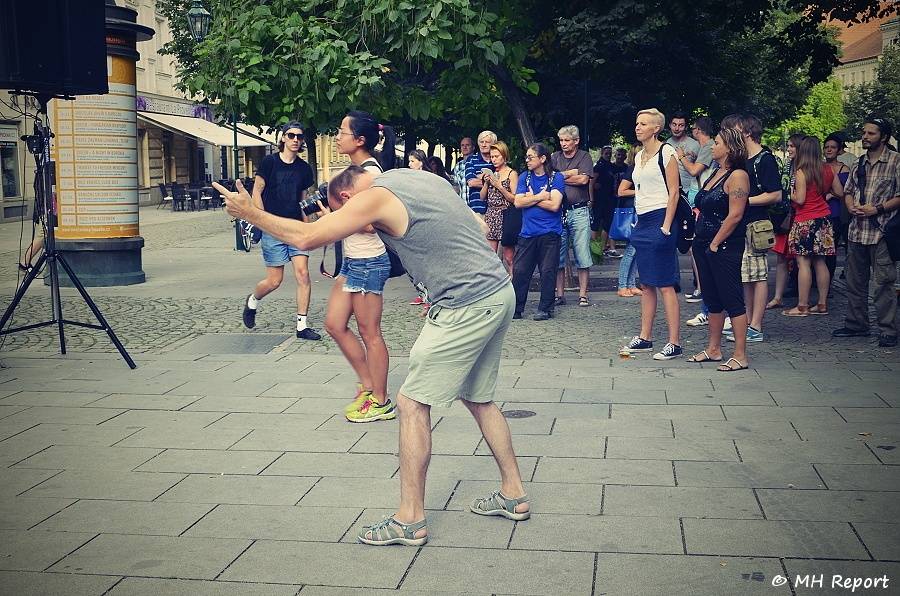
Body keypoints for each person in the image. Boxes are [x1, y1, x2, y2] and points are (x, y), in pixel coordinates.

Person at [214, 165, 529, 548]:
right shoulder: (414, 178)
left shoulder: (373, 198)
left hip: (465, 303)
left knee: (411, 403)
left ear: (347, 198)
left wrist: (249, 213)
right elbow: (475, 226)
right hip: (498, 291)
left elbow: (310, 236)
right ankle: (513, 494)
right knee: (478, 397)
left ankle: (410, 519)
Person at [328, 110, 398, 422]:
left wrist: (338, 218)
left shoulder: (370, 175)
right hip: (353, 261)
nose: (337, 136)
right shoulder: (357, 170)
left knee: (370, 332)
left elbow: (375, 224)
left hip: (369, 262)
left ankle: (381, 401)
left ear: (359, 140)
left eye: (343, 132)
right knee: (334, 323)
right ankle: (368, 384)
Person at [241, 121, 321, 341]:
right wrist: (261, 219)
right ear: (283, 138)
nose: (296, 139)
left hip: (296, 228)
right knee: (274, 281)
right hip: (273, 228)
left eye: (300, 136)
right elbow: (257, 192)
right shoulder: (269, 163)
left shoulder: (304, 169)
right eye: (292, 135)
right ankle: (253, 300)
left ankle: (302, 326)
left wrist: (308, 227)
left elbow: (303, 199)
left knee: (303, 274)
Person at [686, 127, 751, 371]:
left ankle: (740, 354)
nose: (712, 146)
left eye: (717, 143)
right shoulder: (716, 172)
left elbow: (735, 215)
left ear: (730, 148)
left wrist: (715, 243)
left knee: (731, 297)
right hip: (703, 243)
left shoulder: (738, 176)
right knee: (712, 298)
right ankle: (713, 349)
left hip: (724, 245)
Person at [621, 108, 683, 361]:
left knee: (665, 283)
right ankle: (645, 337)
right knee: (646, 282)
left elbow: (674, 192)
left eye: (643, 123)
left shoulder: (666, 152)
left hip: (660, 219)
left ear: (656, 128)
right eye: (637, 123)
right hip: (643, 220)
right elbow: (640, 189)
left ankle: (674, 342)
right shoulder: (639, 156)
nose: (638, 127)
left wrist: (666, 226)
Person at [832, 117, 900, 348]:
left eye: (871, 133)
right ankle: (856, 324)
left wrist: (877, 209)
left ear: (883, 137)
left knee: (883, 283)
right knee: (854, 282)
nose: (865, 137)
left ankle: (888, 329)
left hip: (881, 231)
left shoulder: (895, 162)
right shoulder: (859, 162)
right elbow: (848, 190)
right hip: (856, 231)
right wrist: (850, 205)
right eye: (864, 133)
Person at [721, 114, 782, 344]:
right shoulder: (743, 159)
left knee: (758, 276)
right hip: (742, 225)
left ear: (746, 132)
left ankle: (756, 325)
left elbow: (775, 194)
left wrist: (745, 201)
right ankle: (746, 322)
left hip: (757, 226)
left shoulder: (765, 159)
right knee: (746, 276)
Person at [782, 136, 842, 317]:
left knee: (803, 263)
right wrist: (825, 193)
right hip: (824, 219)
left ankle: (802, 306)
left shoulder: (801, 172)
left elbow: (799, 199)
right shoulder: (828, 169)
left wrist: (789, 194)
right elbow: (839, 192)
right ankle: (822, 304)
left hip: (805, 220)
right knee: (821, 261)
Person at [512, 143, 564, 320]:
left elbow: (555, 205)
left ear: (542, 159)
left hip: (550, 233)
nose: (526, 160)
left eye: (530, 157)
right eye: (526, 157)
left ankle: (546, 308)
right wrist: (541, 196)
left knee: (548, 271)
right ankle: (516, 308)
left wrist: (530, 198)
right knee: (520, 271)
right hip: (527, 233)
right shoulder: (524, 177)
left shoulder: (556, 178)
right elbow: (518, 203)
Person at [552, 125, 595, 307]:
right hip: (558, 211)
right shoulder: (554, 157)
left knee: (582, 253)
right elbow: (550, 178)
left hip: (579, 210)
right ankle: (559, 294)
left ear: (576, 141)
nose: (563, 144)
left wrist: (560, 177)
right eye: (561, 140)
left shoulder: (584, 156)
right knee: (558, 254)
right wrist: (572, 174)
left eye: (567, 140)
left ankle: (583, 294)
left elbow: (584, 180)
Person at [681, 116, 717, 324]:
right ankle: (704, 299)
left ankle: (706, 302)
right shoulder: (708, 148)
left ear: (697, 130)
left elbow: (694, 170)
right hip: (701, 202)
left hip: (704, 205)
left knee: (701, 251)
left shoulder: (709, 146)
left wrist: (681, 157)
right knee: (698, 250)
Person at [767, 133, 806, 311]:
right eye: (788, 146)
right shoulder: (788, 165)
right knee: (782, 257)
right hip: (786, 215)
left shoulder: (805, 168)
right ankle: (778, 297)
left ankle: (803, 301)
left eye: (792, 146)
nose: (789, 149)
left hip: (800, 215)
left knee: (802, 260)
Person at [480, 141, 519, 272]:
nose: (494, 159)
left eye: (497, 156)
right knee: (491, 255)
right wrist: (486, 183)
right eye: (492, 157)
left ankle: (513, 280)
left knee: (508, 255)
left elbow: (514, 198)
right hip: (491, 213)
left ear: (504, 156)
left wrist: (499, 186)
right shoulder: (491, 173)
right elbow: (482, 197)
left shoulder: (511, 173)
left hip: (506, 214)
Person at [615, 146, 641, 297]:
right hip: (632, 213)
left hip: (638, 212)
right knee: (631, 251)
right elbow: (621, 191)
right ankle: (622, 285)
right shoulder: (632, 169)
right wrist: (641, 191)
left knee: (636, 250)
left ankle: (630, 284)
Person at [824, 132, 851, 249]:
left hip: (838, 213)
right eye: (826, 147)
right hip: (822, 213)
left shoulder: (844, 168)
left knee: (833, 248)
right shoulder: (819, 166)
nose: (829, 150)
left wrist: (831, 194)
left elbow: (847, 191)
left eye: (833, 147)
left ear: (838, 150)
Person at [592, 145, 620, 257]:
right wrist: (592, 197)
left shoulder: (611, 166)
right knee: (596, 223)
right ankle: (594, 250)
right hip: (599, 199)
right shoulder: (599, 166)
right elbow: (592, 182)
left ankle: (603, 247)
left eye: (610, 153)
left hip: (609, 198)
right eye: (606, 153)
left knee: (607, 223)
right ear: (602, 153)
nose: (608, 155)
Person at [465, 131, 497, 215]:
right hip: (477, 210)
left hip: (496, 210)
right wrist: (494, 180)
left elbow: (505, 181)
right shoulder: (471, 160)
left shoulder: (498, 160)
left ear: (494, 144)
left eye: (487, 142)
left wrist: (480, 177)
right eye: (481, 142)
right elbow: (471, 183)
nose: (483, 145)